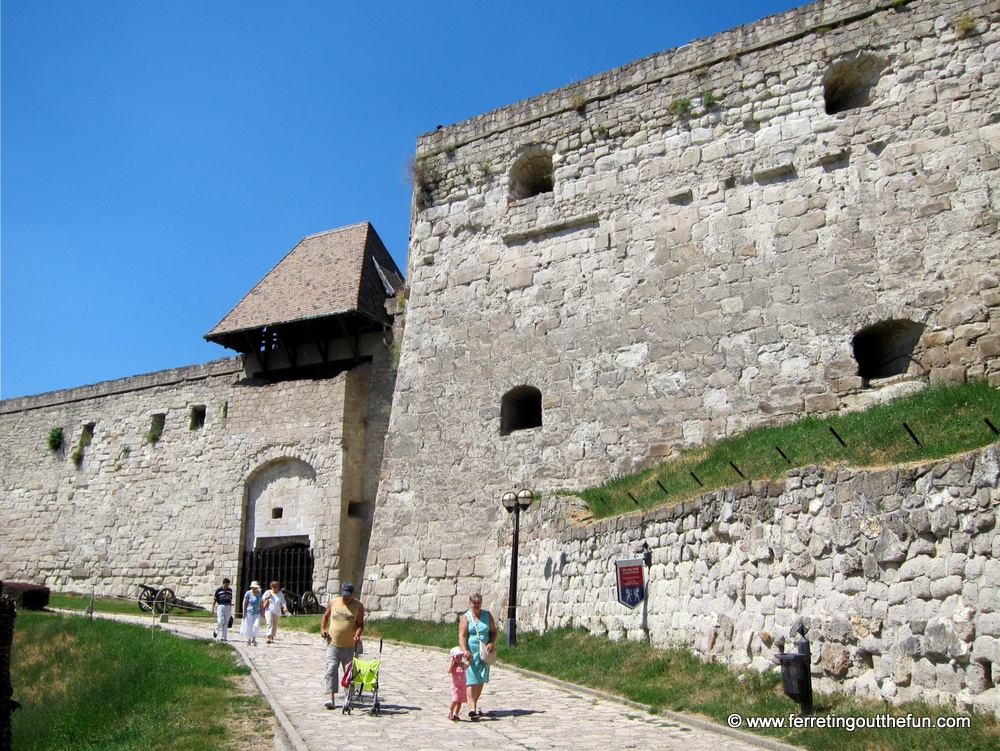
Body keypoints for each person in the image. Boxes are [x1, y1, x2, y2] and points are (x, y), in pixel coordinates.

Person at [320, 581, 364, 710]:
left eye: (348, 596)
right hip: (333, 644)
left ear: (352, 594)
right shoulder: (334, 602)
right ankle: (331, 698)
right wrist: (322, 629)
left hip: (349, 646)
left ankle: (348, 696)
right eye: (344, 595)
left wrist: (358, 635)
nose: (345, 598)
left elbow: (360, 624)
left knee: (349, 673)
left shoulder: (358, 606)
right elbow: (326, 616)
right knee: (331, 670)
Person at [458, 592, 497, 719]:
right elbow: (462, 635)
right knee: (471, 677)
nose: (476, 606)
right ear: (470, 604)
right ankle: (472, 706)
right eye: (474, 603)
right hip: (470, 652)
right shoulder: (466, 617)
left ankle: (475, 703)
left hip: (484, 652)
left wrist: (491, 642)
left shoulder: (487, 616)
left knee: (480, 677)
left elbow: (493, 632)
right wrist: (464, 650)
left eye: (478, 603)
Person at [446, 646, 469, 721]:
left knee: (460, 701)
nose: (459, 658)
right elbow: (448, 671)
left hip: (462, 686)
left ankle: (456, 713)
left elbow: (467, 665)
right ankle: (450, 711)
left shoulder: (462, 665)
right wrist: (451, 661)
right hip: (455, 687)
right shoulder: (453, 666)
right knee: (455, 700)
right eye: (457, 657)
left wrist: (468, 659)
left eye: (460, 656)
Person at [240, 581, 263, 646]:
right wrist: (244, 611)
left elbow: (260, 603)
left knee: (256, 625)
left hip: (257, 612)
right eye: (254, 587)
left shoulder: (259, 593)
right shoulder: (248, 593)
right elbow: (244, 602)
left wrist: (262, 611)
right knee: (249, 626)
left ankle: (254, 639)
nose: (255, 589)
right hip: (249, 612)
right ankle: (249, 639)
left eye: (256, 587)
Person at [211, 577, 234, 641]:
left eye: (228, 585)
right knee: (221, 620)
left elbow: (230, 599)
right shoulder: (218, 590)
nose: (227, 586)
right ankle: (216, 630)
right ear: (223, 584)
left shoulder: (230, 590)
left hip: (228, 607)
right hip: (221, 606)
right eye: (226, 584)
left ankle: (224, 637)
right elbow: (215, 600)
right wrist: (212, 608)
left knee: (226, 622)